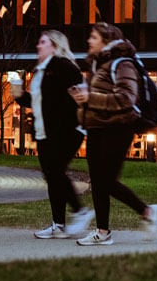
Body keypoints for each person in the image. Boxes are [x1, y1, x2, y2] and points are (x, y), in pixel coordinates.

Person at [70, 22, 157, 246]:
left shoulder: (122, 64)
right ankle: (104, 231)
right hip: (96, 129)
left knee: (106, 181)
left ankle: (144, 212)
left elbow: (126, 99)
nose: (89, 40)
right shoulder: (98, 66)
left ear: (106, 40)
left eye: (93, 37)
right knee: (98, 182)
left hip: (118, 128)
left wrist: (90, 97)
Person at [11, 30, 94, 239]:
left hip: (67, 130)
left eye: (42, 42)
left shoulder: (63, 66)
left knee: (55, 171)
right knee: (51, 175)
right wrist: (20, 96)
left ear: (55, 46)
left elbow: (77, 94)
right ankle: (58, 224)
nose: (38, 46)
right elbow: (39, 102)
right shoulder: (40, 71)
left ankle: (80, 211)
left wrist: (78, 106)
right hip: (44, 131)